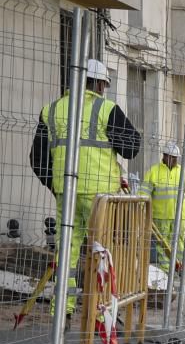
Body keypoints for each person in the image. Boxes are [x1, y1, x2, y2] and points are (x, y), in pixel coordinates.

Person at [29, 58, 142, 313]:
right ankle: (101, 311)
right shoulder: (106, 109)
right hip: (99, 196)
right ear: (101, 84)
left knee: (66, 250)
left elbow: (37, 160)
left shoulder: (52, 109)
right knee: (102, 251)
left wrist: (58, 184)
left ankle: (63, 307)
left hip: (66, 194)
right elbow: (131, 148)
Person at [142, 141, 185, 273]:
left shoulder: (184, 173)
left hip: (180, 215)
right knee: (162, 244)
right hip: (160, 215)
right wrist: (142, 209)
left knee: (179, 242)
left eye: (174, 157)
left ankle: (179, 267)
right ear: (164, 155)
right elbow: (144, 193)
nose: (172, 159)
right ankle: (166, 269)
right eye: (169, 156)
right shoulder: (153, 171)